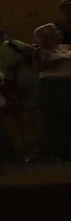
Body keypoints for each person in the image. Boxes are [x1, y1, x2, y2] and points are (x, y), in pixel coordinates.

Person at [33, 23, 71, 160]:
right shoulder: (40, 51)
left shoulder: (66, 47)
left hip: (68, 83)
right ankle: (53, 152)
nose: (59, 32)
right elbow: (39, 67)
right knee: (53, 119)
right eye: (54, 30)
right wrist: (61, 61)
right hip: (52, 86)